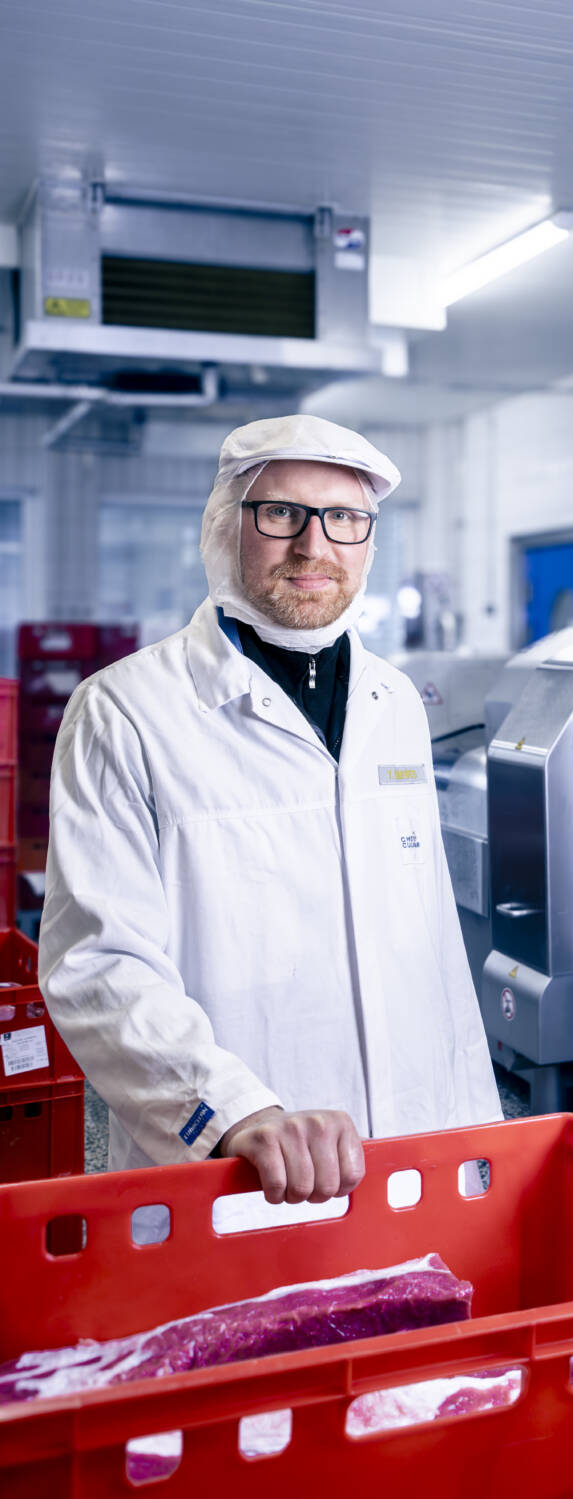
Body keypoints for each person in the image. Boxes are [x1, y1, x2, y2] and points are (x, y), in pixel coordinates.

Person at [39, 414, 502, 1221]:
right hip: (234, 1169)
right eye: (282, 513)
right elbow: (97, 964)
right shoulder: (123, 711)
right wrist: (232, 1111)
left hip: (412, 1155)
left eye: (344, 519)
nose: (314, 546)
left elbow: (430, 947)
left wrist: (475, 1141)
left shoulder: (395, 702)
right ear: (227, 527)